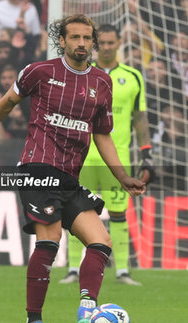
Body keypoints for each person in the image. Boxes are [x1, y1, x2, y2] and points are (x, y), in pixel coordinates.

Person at [0, 14, 146, 323]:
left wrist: (122, 177)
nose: (81, 44)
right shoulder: (40, 72)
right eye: (74, 37)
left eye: (86, 38)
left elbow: (102, 135)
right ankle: (33, 321)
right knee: (50, 239)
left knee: (101, 241)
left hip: (69, 178)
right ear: (61, 40)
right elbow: (6, 104)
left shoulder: (101, 83)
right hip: (37, 169)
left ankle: (88, 305)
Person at [60, 24, 154, 286]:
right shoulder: (83, 74)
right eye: (104, 42)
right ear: (96, 44)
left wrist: (147, 152)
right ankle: (73, 269)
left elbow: (140, 118)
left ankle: (122, 270)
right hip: (82, 156)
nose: (108, 47)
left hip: (118, 158)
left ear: (119, 43)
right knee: (77, 212)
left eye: (113, 42)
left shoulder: (133, 76)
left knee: (118, 214)